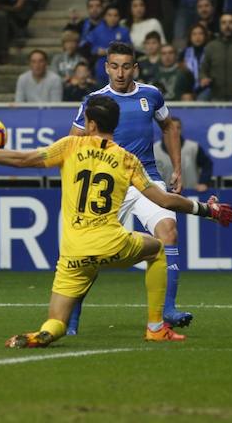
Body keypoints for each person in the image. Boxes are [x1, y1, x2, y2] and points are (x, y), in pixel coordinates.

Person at [0, 95, 232, 346]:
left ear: (90, 124)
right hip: (111, 244)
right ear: (114, 125)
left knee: (56, 322)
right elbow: (165, 200)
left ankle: (43, 333)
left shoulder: (69, 147)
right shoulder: (127, 159)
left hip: (72, 253)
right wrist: (208, 210)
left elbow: (23, 160)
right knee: (158, 250)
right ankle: (156, 328)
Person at [67, 42, 189, 334]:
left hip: (146, 179)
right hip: (109, 185)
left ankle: (167, 310)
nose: (120, 73)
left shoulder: (151, 94)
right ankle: (71, 318)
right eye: (114, 66)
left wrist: (177, 168)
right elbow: (74, 139)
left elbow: (169, 127)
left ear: (135, 67)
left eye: (126, 66)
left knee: (168, 232)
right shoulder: (94, 100)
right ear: (106, 67)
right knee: (90, 255)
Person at [153, 116, 213, 192]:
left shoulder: (193, 148)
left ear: (181, 129)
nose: (175, 131)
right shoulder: (154, 149)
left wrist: (203, 182)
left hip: (190, 195)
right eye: (171, 128)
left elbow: (207, 164)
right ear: (163, 130)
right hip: (162, 196)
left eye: (178, 128)